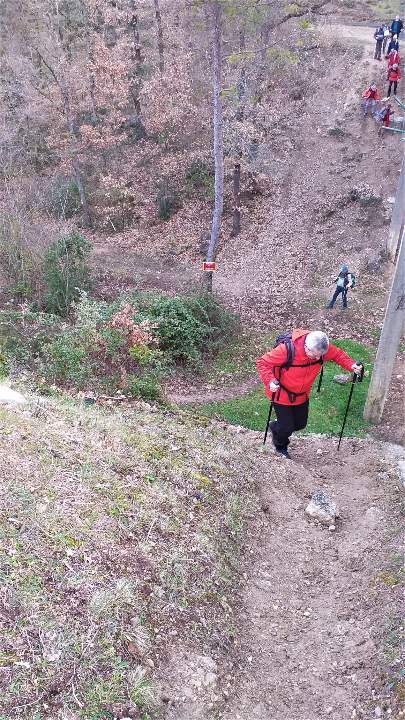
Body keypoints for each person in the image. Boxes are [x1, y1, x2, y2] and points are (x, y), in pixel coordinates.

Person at [256, 330, 363, 458]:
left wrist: (351, 365)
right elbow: (262, 362)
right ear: (306, 348)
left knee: (301, 424)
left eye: (320, 356)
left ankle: (275, 427)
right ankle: (280, 446)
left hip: (302, 395)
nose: (318, 358)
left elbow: (337, 355)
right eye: (314, 355)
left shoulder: (320, 349)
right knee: (287, 427)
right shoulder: (286, 350)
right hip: (281, 394)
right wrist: (270, 381)